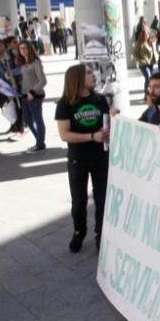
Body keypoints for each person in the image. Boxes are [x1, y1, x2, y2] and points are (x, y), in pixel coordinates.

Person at [55, 64, 110, 252]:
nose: (92, 75)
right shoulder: (65, 104)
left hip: (101, 156)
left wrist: (111, 126)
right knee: (79, 201)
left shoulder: (100, 100)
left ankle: (101, 235)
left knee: (102, 198)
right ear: (77, 78)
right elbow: (64, 135)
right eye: (87, 73)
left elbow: (106, 125)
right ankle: (79, 230)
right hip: (78, 158)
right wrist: (91, 137)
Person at [18, 41, 47, 152]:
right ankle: (38, 140)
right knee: (27, 119)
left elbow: (43, 80)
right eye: (21, 48)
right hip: (24, 94)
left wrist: (33, 92)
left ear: (30, 49)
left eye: (25, 48)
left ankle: (40, 143)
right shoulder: (22, 63)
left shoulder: (36, 62)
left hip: (35, 95)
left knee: (37, 119)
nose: (23, 51)